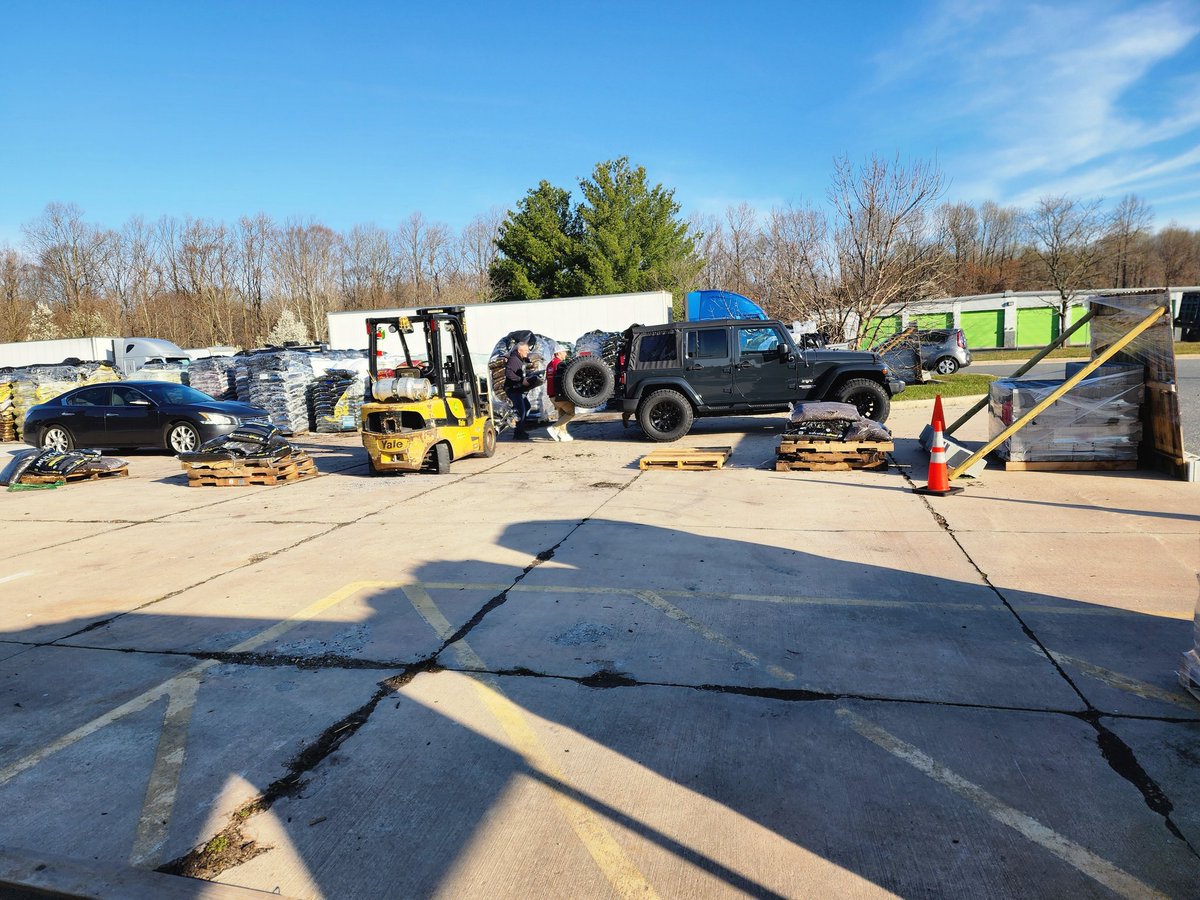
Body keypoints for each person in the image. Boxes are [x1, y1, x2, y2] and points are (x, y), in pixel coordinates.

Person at [545, 345, 575, 441]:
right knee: (570, 413)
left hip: (551, 395)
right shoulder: (560, 364)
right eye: (564, 352)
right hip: (559, 395)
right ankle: (554, 428)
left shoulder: (550, 364)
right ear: (558, 353)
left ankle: (563, 434)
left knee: (562, 414)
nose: (565, 354)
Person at [504, 342, 533, 440]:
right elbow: (508, 373)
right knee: (521, 410)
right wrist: (521, 380)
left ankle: (520, 429)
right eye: (525, 351)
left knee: (527, 406)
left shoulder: (520, 359)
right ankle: (518, 433)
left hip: (518, 389)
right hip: (512, 389)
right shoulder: (513, 359)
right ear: (519, 351)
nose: (527, 352)